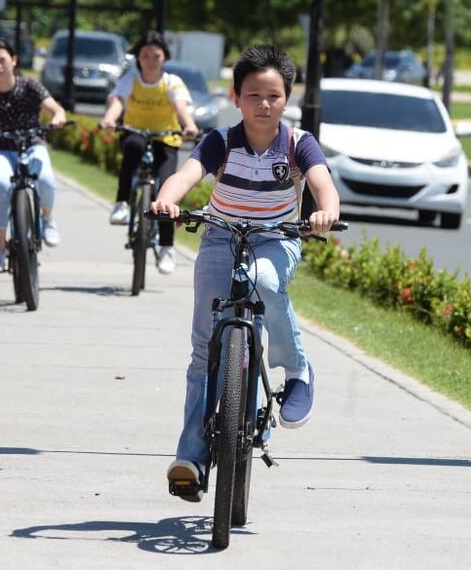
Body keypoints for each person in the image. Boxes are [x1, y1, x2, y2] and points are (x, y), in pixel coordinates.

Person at [151, 45, 340, 500]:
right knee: (203, 352)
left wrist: (326, 213)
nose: (264, 104)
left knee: (268, 283)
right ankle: (191, 458)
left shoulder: (298, 143)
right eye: (253, 94)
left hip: (275, 240)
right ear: (236, 98)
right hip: (221, 237)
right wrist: (168, 198)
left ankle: (297, 371)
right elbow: (188, 174)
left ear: (286, 100)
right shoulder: (222, 142)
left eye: (273, 95)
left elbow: (322, 185)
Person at [0, 39, 66, 273]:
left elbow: (53, 107)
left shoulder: (30, 86)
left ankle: (47, 219)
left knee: (46, 180)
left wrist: (57, 116)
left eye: (2, 60)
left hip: (32, 144)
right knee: (2, 184)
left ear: (14, 60)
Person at [99, 31, 199, 275]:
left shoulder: (172, 82)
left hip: (166, 137)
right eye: (145, 56)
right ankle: (122, 203)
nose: (151, 61)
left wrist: (189, 126)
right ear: (138, 57)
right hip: (136, 132)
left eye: (156, 56)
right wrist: (109, 119)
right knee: (132, 147)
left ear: (164, 57)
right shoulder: (130, 80)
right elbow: (117, 102)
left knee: (167, 186)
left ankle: (166, 247)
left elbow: (180, 106)